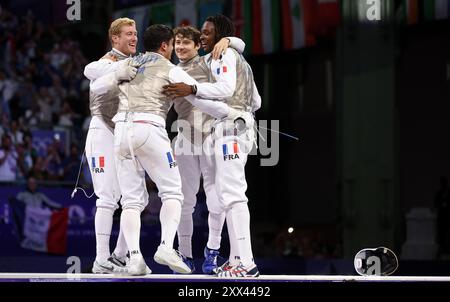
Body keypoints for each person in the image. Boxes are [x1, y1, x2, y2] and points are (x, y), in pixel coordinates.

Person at [163, 14, 262, 277]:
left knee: (232, 194)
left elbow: (227, 88)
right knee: (228, 194)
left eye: (207, 33)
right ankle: (235, 258)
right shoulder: (233, 55)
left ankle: (246, 263)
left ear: (219, 34)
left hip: (231, 129)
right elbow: (257, 101)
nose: (203, 37)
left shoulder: (223, 55)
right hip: (232, 125)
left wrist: (193, 90)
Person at [82, 17, 149, 274]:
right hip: (103, 133)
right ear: (115, 39)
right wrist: (120, 69)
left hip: (126, 135)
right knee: (107, 197)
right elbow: (90, 71)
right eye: (129, 34)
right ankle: (101, 259)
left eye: (135, 33)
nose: (134, 37)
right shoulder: (105, 63)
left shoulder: (137, 61)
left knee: (138, 198)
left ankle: (120, 256)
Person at [434, 176, 450, 256]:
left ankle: (447, 249)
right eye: (442, 183)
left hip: (448, 215)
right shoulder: (439, 193)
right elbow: (435, 203)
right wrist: (441, 203)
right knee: (441, 234)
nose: (443, 185)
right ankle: (442, 249)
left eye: (444, 183)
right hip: (441, 216)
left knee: (447, 233)